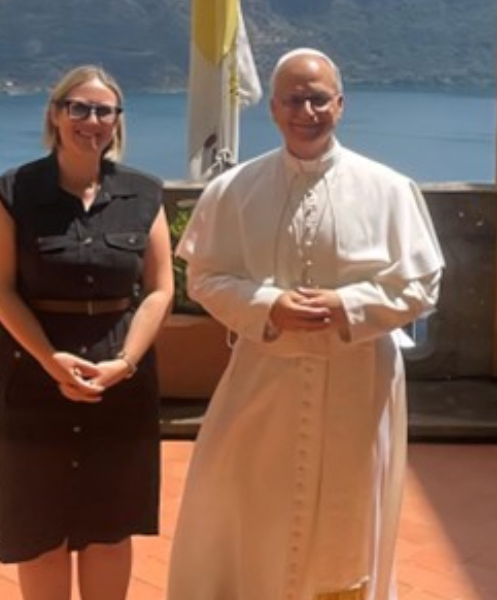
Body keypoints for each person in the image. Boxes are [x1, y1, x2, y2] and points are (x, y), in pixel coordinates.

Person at [166, 48, 445, 600]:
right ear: (272, 108)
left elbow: (421, 286)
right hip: (265, 380)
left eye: (319, 98)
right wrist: (269, 304)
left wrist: (347, 306)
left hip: (359, 378)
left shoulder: (389, 190)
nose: (307, 110)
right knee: (249, 507)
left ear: (340, 104)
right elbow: (205, 278)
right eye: (294, 99)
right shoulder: (233, 190)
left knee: (351, 516)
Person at [0, 65, 173, 600]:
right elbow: (0, 290)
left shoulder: (144, 193)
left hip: (120, 380)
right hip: (34, 378)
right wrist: (48, 359)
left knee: (110, 526)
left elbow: (159, 290)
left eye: (103, 110)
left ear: (117, 121)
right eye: (79, 108)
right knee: (39, 526)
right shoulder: (13, 192)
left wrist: (126, 362)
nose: (91, 120)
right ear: (56, 114)